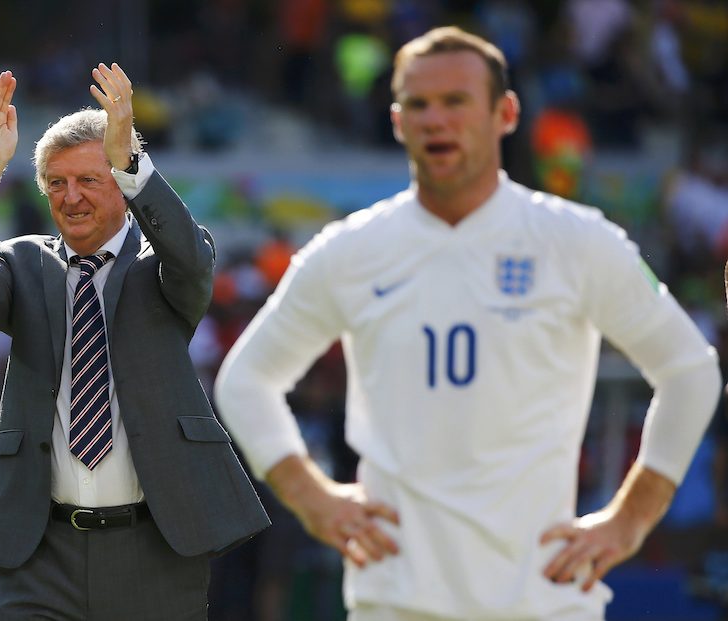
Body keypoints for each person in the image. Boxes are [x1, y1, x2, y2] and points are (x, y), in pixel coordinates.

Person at [213, 26, 721, 621]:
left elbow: (690, 371)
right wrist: (310, 496)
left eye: (456, 102)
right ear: (398, 122)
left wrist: (631, 518)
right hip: (395, 600)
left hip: (544, 598)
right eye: (419, 106)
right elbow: (244, 380)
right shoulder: (349, 251)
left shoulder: (578, 242)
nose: (436, 121)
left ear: (504, 113)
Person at [0, 63, 269, 620]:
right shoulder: (22, 264)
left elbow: (190, 262)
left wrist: (132, 161)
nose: (72, 197)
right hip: (38, 553)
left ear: (121, 183)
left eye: (90, 179)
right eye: (57, 183)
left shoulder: (163, 264)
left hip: (155, 550)